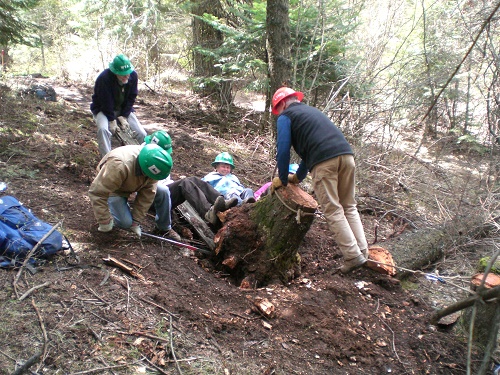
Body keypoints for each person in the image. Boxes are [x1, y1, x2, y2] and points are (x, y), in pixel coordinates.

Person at [270, 87, 368, 274]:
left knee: (333, 209)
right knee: (349, 206)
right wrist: (298, 177)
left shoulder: (286, 117)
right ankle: (363, 252)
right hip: (347, 156)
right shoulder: (311, 112)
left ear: (282, 104)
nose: (279, 113)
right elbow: (311, 148)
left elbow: (283, 150)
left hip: (325, 163)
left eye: (278, 109)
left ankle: (353, 256)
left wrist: (282, 179)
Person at [145, 130, 238, 226]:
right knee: (184, 183)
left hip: (164, 192)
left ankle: (221, 202)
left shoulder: (155, 157)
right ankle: (207, 212)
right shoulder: (145, 159)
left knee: (193, 179)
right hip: (155, 199)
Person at [88, 144, 175, 239]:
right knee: (125, 223)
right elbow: (97, 192)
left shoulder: (154, 168)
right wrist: (104, 220)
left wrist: (135, 221)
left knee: (163, 191)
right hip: (116, 188)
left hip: (135, 182)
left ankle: (164, 228)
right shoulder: (119, 165)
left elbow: (147, 196)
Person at [90, 54, 147, 156]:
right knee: (103, 130)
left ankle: (139, 158)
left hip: (123, 109)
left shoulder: (133, 76)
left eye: (128, 73)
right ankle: (106, 159)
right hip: (103, 109)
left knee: (142, 133)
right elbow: (105, 101)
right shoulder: (104, 78)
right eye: (123, 74)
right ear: (115, 72)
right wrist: (111, 120)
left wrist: (124, 116)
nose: (127, 76)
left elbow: (132, 97)